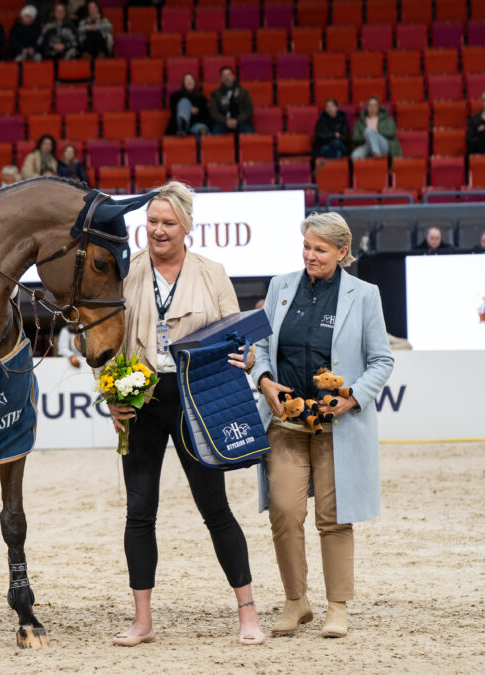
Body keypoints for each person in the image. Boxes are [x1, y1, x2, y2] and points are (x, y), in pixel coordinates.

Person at [107, 181, 265, 648]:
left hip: (196, 399)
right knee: (139, 512)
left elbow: (239, 335)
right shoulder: (126, 271)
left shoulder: (212, 272)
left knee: (215, 509)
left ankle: (248, 614)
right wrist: (110, 391)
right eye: (152, 222)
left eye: (168, 223)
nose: (158, 230)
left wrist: (249, 357)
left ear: (187, 227)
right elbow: (107, 338)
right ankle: (142, 621)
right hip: (140, 400)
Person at [253, 212, 394, 639]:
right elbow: (261, 346)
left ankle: (337, 607)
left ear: (342, 252)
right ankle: (296, 601)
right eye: (306, 247)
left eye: (320, 249)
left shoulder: (365, 295)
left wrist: (353, 397)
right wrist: (264, 380)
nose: (310, 255)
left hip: (337, 428)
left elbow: (382, 360)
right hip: (285, 425)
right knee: (284, 511)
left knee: (333, 519)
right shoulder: (280, 287)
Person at [209, 66, 254, 135]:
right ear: (221, 78)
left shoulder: (243, 92)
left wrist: (237, 120)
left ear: (233, 77)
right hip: (222, 123)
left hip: (241, 122)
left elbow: (248, 111)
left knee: (247, 132)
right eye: (224, 76)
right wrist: (226, 121)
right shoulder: (216, 94)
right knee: (216, 132)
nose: (227, 78)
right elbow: (214, 112)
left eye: (229, 75)